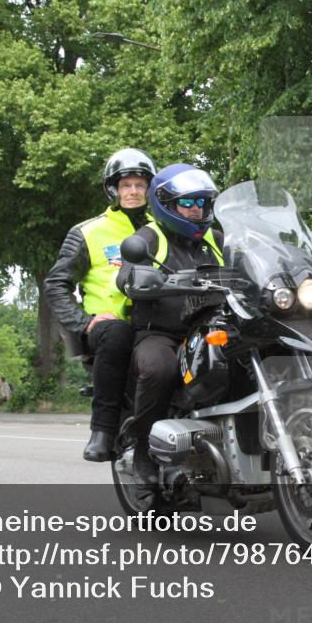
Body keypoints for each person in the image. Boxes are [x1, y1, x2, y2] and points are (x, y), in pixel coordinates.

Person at [44, 148, 157, 462]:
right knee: (117, 332)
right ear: (114, 189)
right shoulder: (87, 232)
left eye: (139, 185)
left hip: (157, 324)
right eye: (126, 186)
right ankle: (103, 430)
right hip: (108, 328)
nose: (133, 192)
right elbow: (56, 284)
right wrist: (84, 322)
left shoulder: (164, 229)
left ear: (150, 188)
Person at [119, 163, 225, 484]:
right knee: (160, 367)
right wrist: (139, 279)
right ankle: (142, 449)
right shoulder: (149, 237)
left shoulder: (218, 238)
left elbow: (253, 261)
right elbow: (126, 273)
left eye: (202, 203)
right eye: (188, 203)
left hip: (213, 328)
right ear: (166, 204)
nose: (197, 210)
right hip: (162, 334)